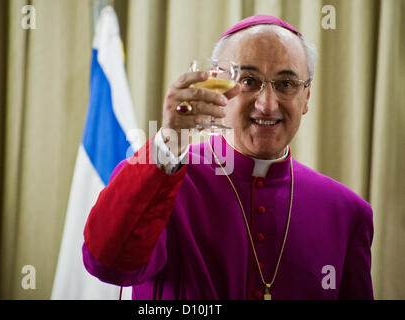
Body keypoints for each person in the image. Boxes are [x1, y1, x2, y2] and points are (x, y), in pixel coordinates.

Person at [82, 15, 374, 300]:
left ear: (306, 97)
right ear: (216, 86)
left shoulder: (347, 213)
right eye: (248, 81)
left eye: (286, 84)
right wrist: (169, 140)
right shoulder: (160, 177)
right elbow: (107, 263)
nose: (267, 105)